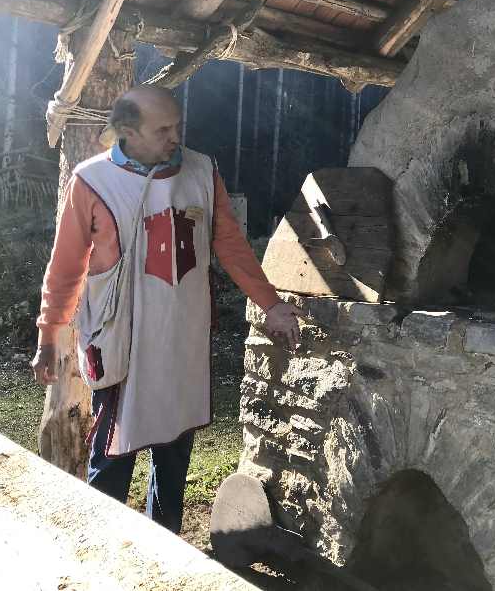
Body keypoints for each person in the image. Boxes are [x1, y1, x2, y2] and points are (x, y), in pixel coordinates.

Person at [31, 85, 303, 534]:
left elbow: (230, 245)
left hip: (182, 339)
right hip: (123, 346)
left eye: (178, 125)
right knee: (112, 458)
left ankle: (167, 550)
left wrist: (270, 304)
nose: (175, 136)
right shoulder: (92, 181)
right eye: (163, 130)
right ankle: (104, 557)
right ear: (128, 132)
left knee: (175, 454)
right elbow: (65, 269)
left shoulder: (200, 170)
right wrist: (48, 336)